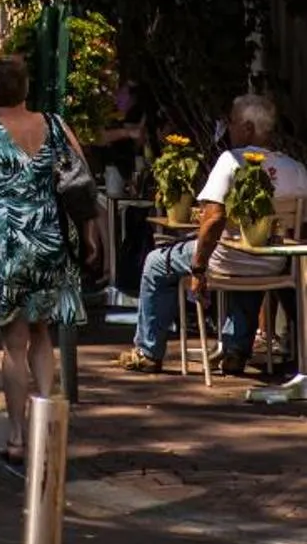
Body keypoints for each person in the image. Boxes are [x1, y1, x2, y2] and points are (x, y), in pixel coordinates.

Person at [0, 54, 86, 466]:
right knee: (42, 333)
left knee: (13, 343)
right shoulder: (55, 125)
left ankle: (15, 436)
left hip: (8, 236)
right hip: (49, 233)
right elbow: (82, 174)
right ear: (26, 86)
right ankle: (46, 422)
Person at [121, 95, 307, 377]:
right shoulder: (296, 169)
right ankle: (235, 350)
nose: (228, 129)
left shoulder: (230, 162)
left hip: (226, 260)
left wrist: (198, 266)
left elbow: (214, 217)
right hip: (273, 264)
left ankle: (147, 351)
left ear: (246, 128)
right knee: (245, 264)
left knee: (156, 262)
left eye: (231, 122)